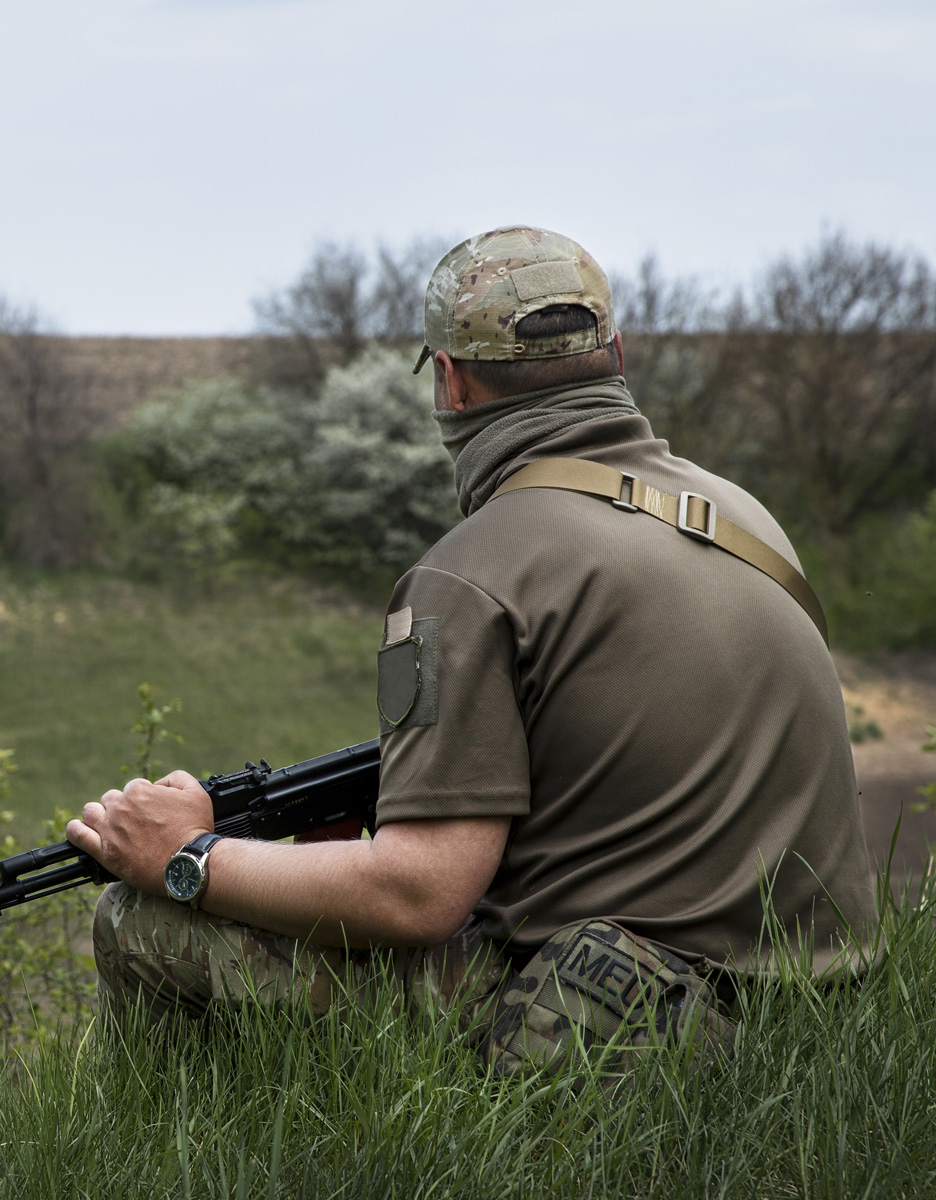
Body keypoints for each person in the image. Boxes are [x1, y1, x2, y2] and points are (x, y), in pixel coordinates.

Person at [66, 226, 875, 1070]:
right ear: (616, 353)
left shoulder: (465, 576)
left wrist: (189, 857)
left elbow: (419, 893)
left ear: (451, 381)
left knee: (138, 922)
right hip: (813, 1004)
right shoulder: (743, 518)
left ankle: (217, 1140)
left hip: (620, 1021)